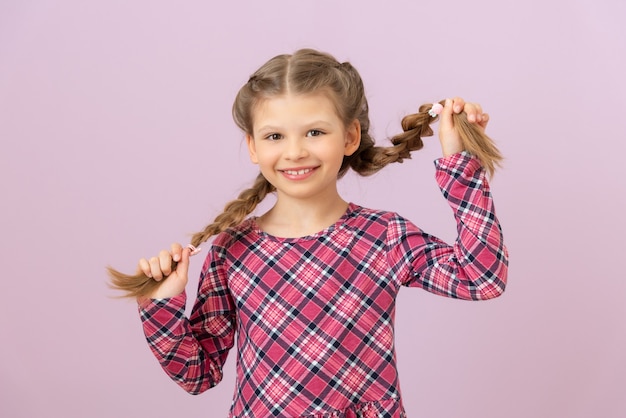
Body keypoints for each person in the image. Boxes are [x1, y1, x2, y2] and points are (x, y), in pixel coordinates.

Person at [109, 48, 508, 418]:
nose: (295, 151)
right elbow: (198, 374)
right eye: (275, 136)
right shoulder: (232, 252)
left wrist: (459, 162)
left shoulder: (383, 235)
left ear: (350, 136)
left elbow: (482, 277)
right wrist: (162, 304)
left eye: (315, 132)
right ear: (253, 146)